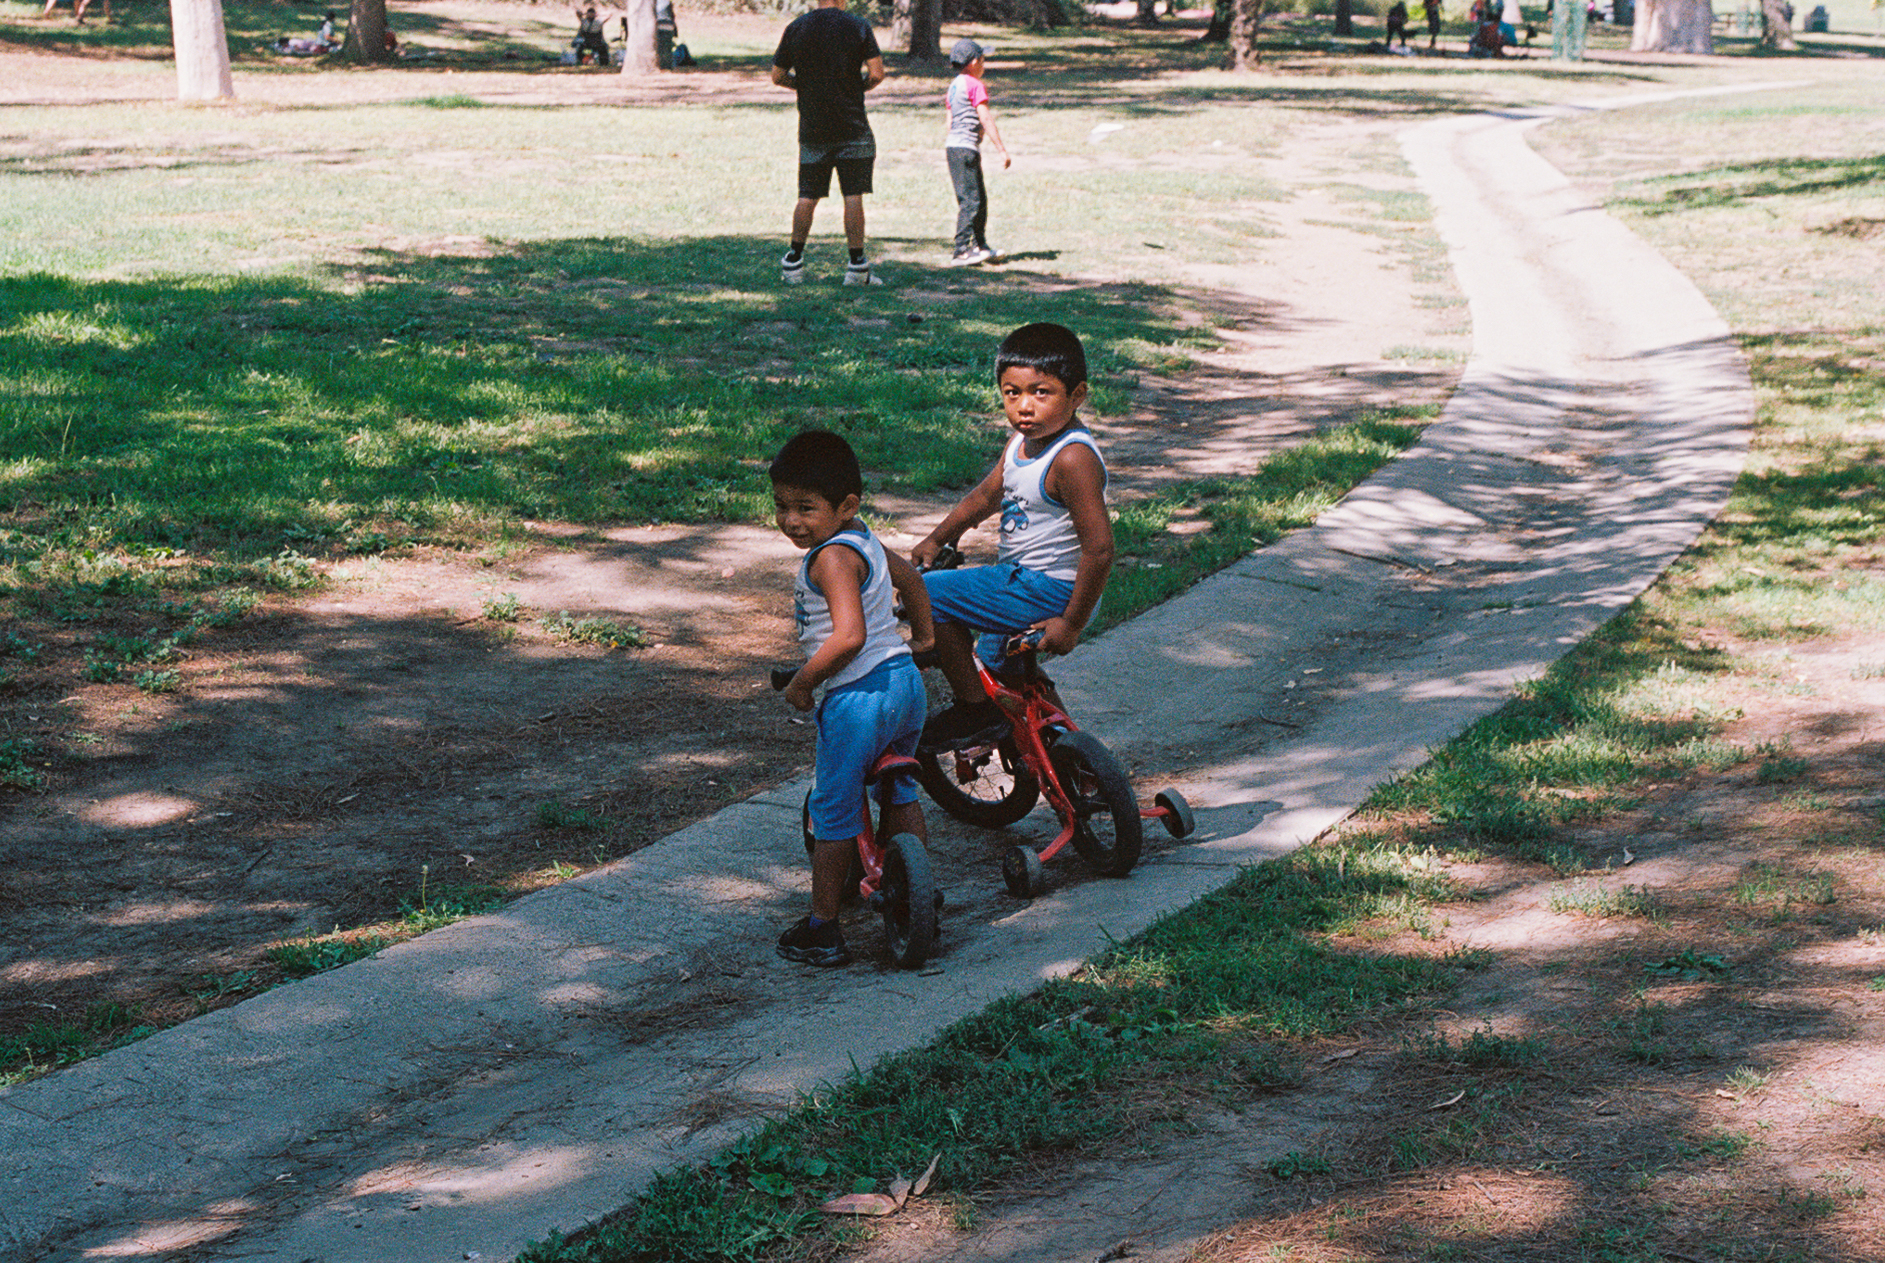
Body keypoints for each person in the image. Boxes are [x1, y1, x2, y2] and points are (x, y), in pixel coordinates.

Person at [770, 430, 935, 967]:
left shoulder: (830, 560)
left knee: (835, 809)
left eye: (805, 508)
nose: (791, 521)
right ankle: (920, 891)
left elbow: (848, 636)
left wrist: (801, 682)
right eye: (781, 507)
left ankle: (823, 927)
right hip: (905, 685)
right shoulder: (863, 537)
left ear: (846, 506)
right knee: (901, 787)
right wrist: (926, 638)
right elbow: (909, 577)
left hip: (858, 697)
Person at [911, 323, 1113, 749]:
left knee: (924, 595)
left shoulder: (1072, 458)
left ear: (1077, 395)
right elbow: (986, 496)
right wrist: (937, 538)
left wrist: (1071, 625)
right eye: (1011, 392)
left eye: (1041, 392)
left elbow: (1099, 548)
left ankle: (974, 711)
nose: (1024, 406)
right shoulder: (1021, 443)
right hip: (1037, 586)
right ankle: (1070, 760)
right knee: (999, 664)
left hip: (1051, 592)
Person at [771, 0, 888, 287]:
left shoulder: (796, 28)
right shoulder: (858, 26)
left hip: (813, 126)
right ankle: (857, 266)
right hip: (852, 124)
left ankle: (793, 262)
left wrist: (807, 86)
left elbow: (777, 75)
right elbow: (876, 73)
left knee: (807, 195)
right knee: (853, 194)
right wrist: (855, 87)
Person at [942, 38, 1011, 268]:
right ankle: (961, 251)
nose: (984, 65)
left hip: (955, 147)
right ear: (973, 63)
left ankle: (980, 246)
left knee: (978, 200)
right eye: (983, 60)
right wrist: (1001, 149)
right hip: (965, 149)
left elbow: (950, 121)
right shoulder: (974, 84)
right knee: (970, 201)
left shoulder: (954, 86)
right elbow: (985, 117)